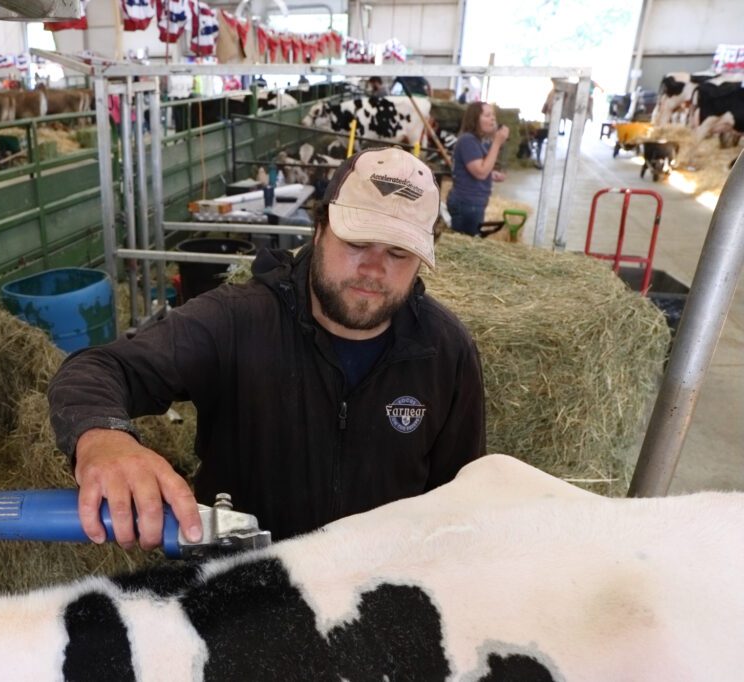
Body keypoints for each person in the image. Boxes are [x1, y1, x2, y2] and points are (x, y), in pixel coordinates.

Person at [48, 147, 487, 550]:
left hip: (373, 595)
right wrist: (104, 439)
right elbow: (99, 368)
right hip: (244, 591)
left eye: (398, 252)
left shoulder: (445, 352)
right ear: (319, 231)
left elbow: (461, 495)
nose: (373, 269)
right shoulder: (236, 321)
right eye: (355, 243)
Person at [446, 102, 510, 237]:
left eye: (493, 115)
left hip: (474, 203)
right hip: (466, 203)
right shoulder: (468, 140)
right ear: (475, 119)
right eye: (487, 115)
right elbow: (480, 172)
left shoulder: (479, 141)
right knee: (465, 244)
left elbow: (477, 168)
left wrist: (491, 174)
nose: (493, 118)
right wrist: (497, 143)